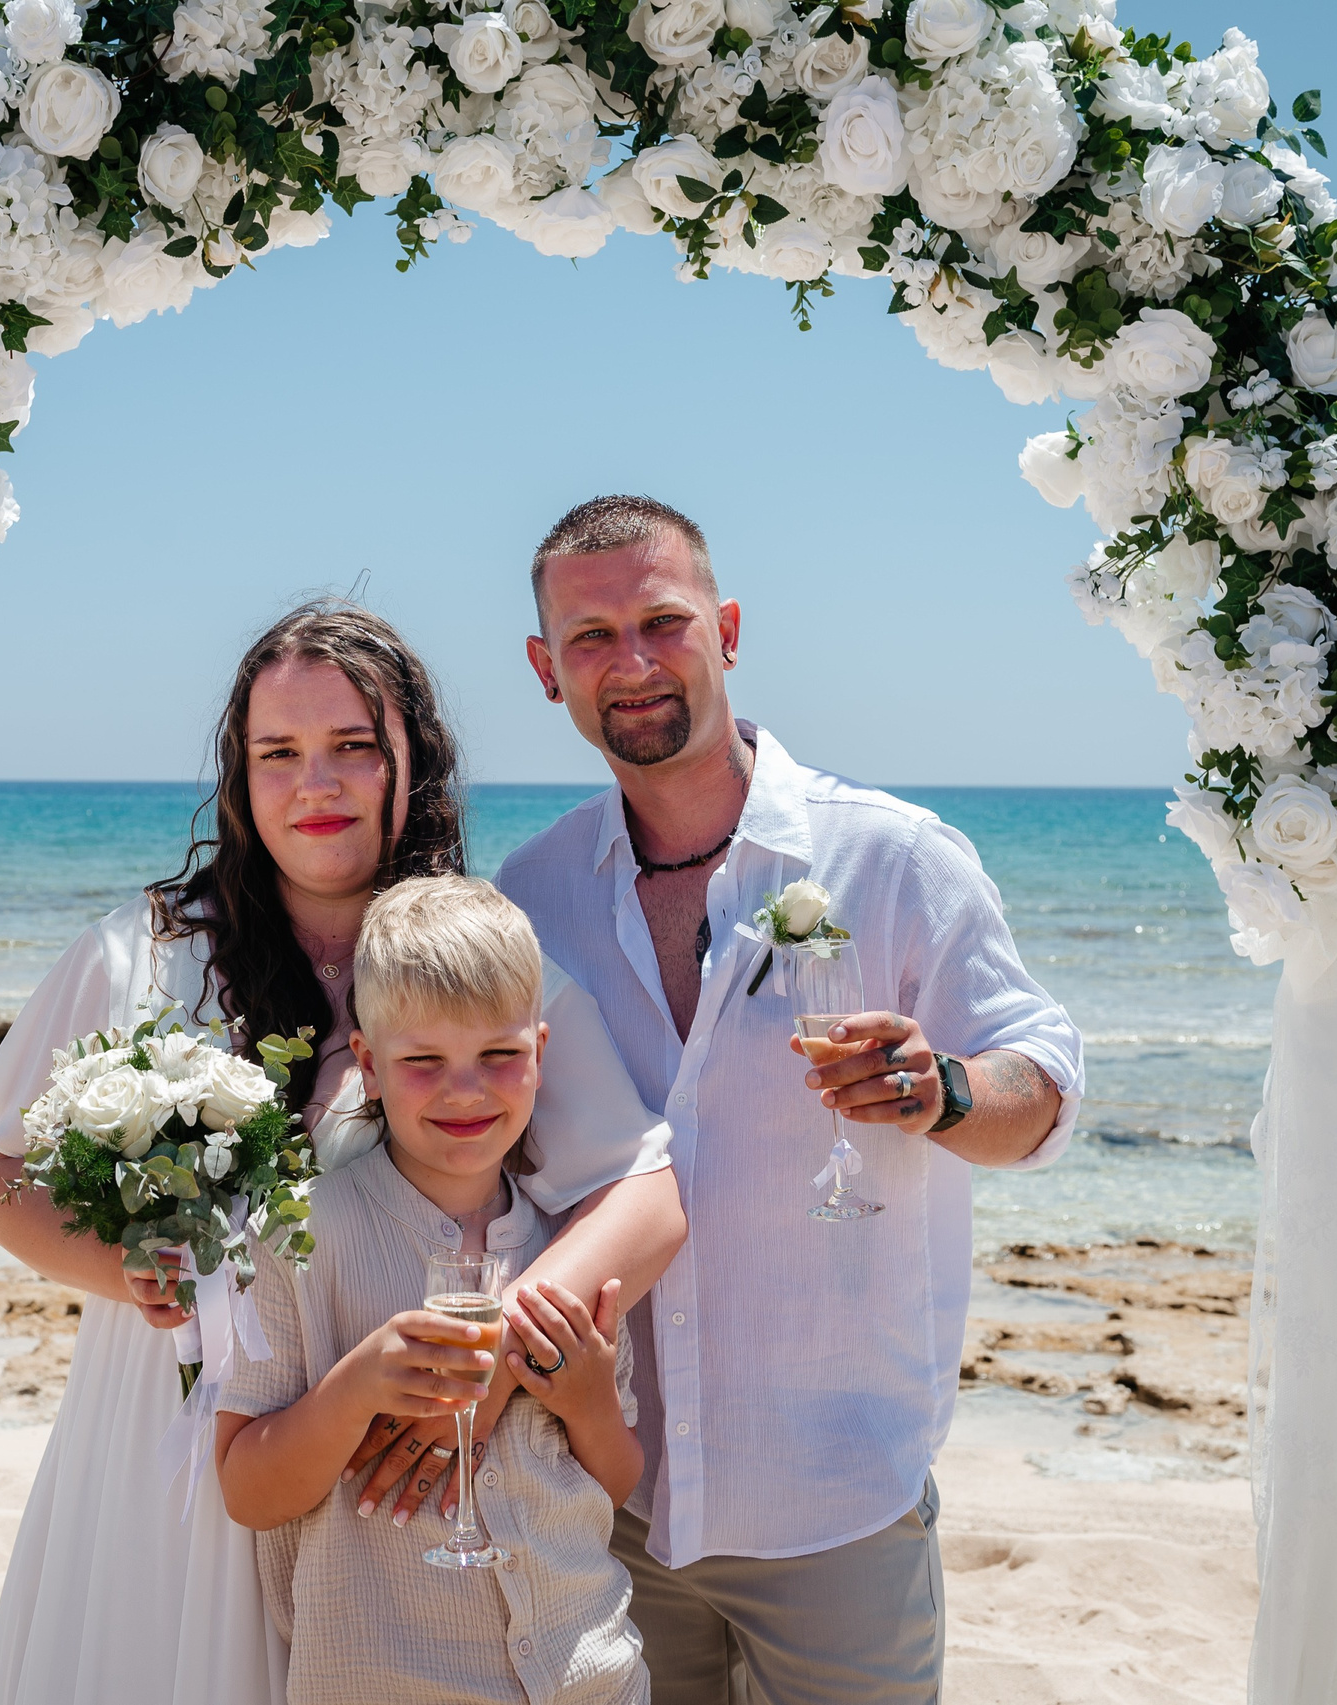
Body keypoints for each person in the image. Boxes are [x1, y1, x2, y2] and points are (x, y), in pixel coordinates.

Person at [0, 600, 686, 1705]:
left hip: (390, 1509)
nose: (318, 783)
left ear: (413, 761)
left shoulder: (484, 964)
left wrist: (493, 1354)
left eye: (354, 745)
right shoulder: (139, 954)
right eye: (279, 752)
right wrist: (130, 1266)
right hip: (175, 1435)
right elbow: (5, 1179)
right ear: (238, 773)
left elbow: (645, 1196)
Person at [496, 498, 1086, 1705]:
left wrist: (944, 1090)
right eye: (593, 636)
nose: (633, 660)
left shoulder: (893, 857)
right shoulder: (531, 892)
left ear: (725, 630)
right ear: (546, 670)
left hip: (838, 1501)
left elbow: (1043, 1084)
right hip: (614, 1501)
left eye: (662, 622)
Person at [216, 875, 650, 1705]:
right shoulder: (300, 1237)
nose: (465, 1089)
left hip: (594, 1673)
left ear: (541, 1053)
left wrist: (590, 1401)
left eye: (499, 1055)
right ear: (369, 1065)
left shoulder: (567, 1249)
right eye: (424, 1061)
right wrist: (356, 1387)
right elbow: (247, 1491)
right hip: (390, 1682)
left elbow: (614, 1485)